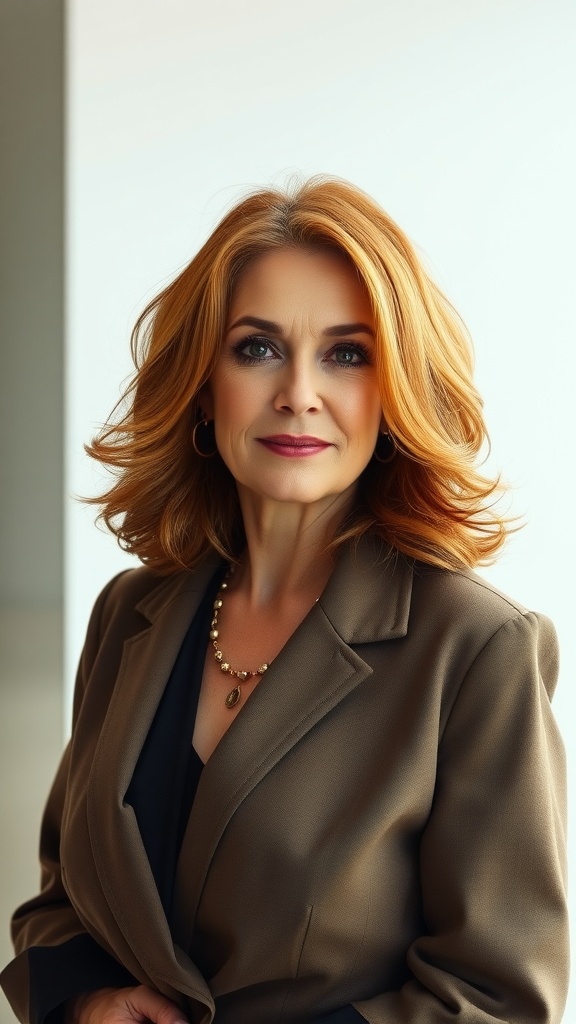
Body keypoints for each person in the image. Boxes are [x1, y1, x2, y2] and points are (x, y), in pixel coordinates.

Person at [0, 177, 568, 1024]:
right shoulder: (129, 613)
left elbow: (499, 995)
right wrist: (87, 1002)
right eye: (257, 348)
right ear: (203, 386)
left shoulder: (476, 649)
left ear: (393, 392)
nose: (298, 391)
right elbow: (63, 899)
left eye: (347, 353)